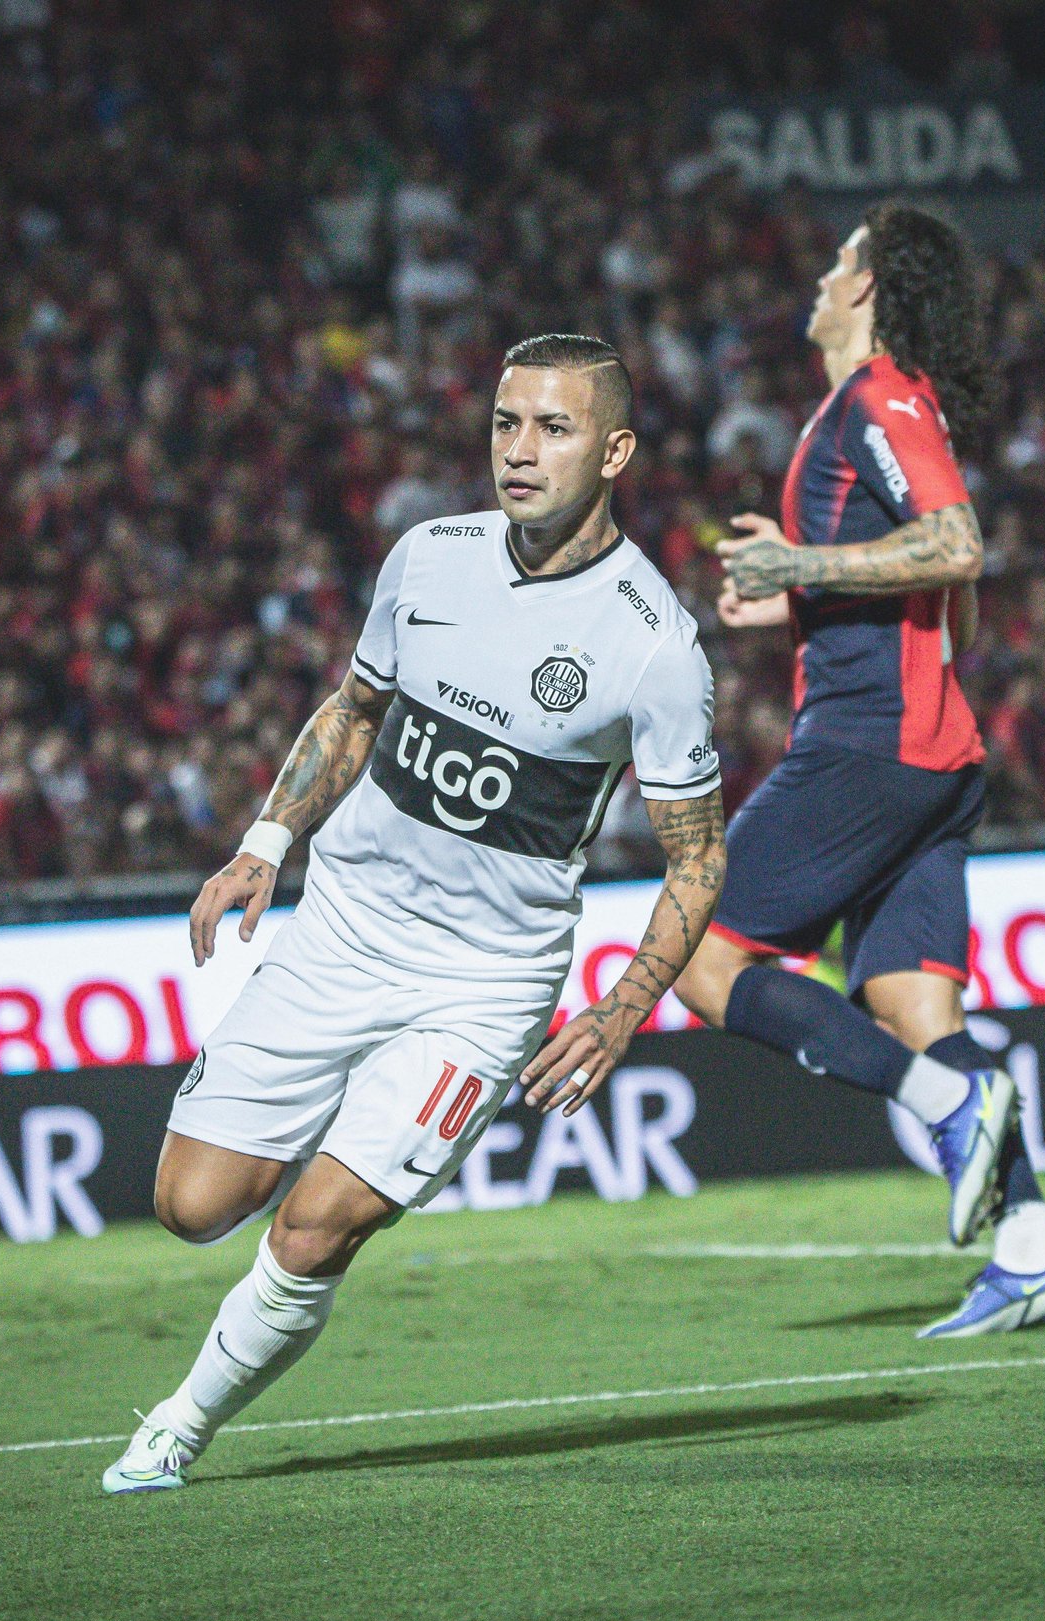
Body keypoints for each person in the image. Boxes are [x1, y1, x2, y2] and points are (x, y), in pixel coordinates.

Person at [104, 334, 726, 1494]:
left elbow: (696, 857)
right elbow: (351, 713)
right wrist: (261, 845)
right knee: (191, 1209)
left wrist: (625, 1006)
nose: (519, 450)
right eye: (504, 423)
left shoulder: (653, 644)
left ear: (616, 450)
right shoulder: (427, 559)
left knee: (313, 1228)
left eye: (553, 427)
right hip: (341, 927)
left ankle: (177, 1427)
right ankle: (289, 1065)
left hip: (482, 982)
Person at [671, 204, 1045, 1339]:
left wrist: (798, 560)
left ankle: (947, 1105)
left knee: (697, 954)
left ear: (869, 289)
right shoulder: (866, 408)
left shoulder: (880, 397)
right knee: (911, 1002)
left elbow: (955, 544)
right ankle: (1030, 1251)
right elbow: (928, 581)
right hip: (929, 756)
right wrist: (794, 591)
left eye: (839, 259)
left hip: (872, 744)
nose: (819, 273)